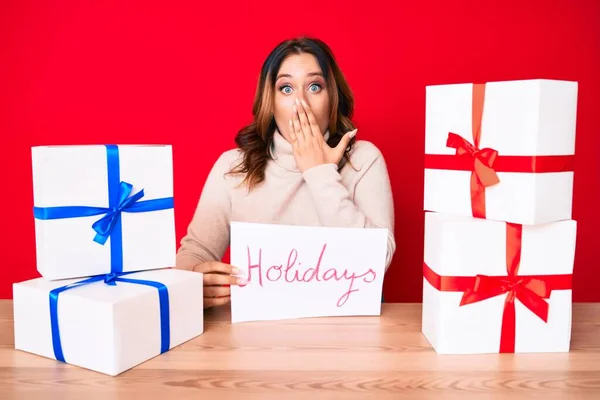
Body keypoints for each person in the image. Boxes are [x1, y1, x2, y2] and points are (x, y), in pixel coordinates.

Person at [175, 37, 396, 308]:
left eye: (315, 86)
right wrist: (192, 282)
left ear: (332, 98)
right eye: (286, 88)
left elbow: (375, 263)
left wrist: (319, 172)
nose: (300, 102)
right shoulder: (232, 167)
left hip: (346, 333)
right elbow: (194, 254)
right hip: (256, 338)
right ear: (271, 101)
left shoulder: (363, 159)